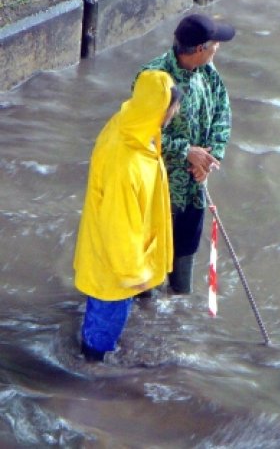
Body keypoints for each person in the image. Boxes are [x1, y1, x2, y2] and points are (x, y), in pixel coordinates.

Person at [73, 70, 181, 362]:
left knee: (100, 312)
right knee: (102, 331)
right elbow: (118, 226)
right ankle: (90, 373)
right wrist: (134, 274)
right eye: (173, 106)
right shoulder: (127, 163)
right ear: (160, 109)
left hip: (110, 256)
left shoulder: (128, 125)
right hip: (116, 268)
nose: (176, 111)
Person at [136, 13, 235, 295]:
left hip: (194, 186)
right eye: (215, 43)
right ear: (201, 48)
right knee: (149, 260)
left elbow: (222, 114)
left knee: (187, 251)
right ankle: (145, 309)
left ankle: (178, 308)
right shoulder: (153, 78)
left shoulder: (209, 72)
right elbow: (139, 134)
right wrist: (185, 151)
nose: (218, 47)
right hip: (160, 189)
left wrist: (209, 159)